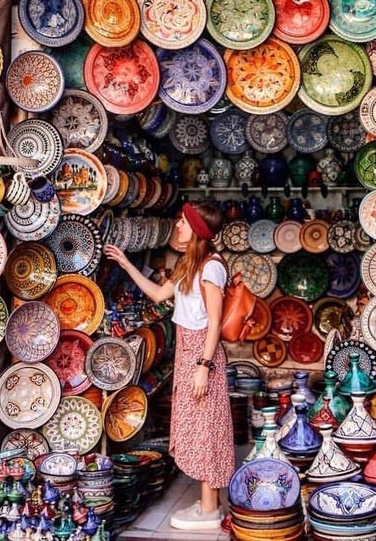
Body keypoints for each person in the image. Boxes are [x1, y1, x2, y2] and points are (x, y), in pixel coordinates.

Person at [104, 201, 234, 531]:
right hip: (188, 351)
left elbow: (215, 322)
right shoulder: (191, 264)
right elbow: (159, 294)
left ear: (198, 230)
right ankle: (209, 502)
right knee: (200, 425)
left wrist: (203, 366)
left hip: (201, 353)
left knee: (207, 428)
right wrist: (126, 264)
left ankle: (209, 508)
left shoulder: (211, 267)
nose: (177, 226)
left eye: (183, 222)